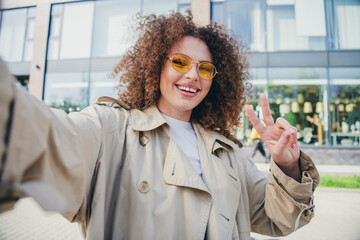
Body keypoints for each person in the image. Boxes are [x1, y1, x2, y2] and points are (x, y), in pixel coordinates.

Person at [0, 12, 319, 240]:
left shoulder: (228, 152)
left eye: (205, 68)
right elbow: (43, 137)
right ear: (157, 66)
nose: (193, 75)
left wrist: (287, 165)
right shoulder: (112, 129)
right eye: (180, 62)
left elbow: (276, 218)